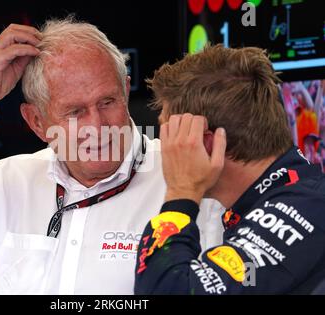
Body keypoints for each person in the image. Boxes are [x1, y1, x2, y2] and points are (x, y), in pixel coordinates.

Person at [0, 18, 224, 294]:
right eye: (75, 112)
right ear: (37, 122)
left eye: (107, 102)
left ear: (125, 90)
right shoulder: (10, 180)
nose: (97, 125)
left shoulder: (189, 175)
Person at [135, 45, 325, 294]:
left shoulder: (303, 209)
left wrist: (181, 194)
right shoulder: (295, 198)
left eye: (171, 134)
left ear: (206, 142)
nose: (166, 147)